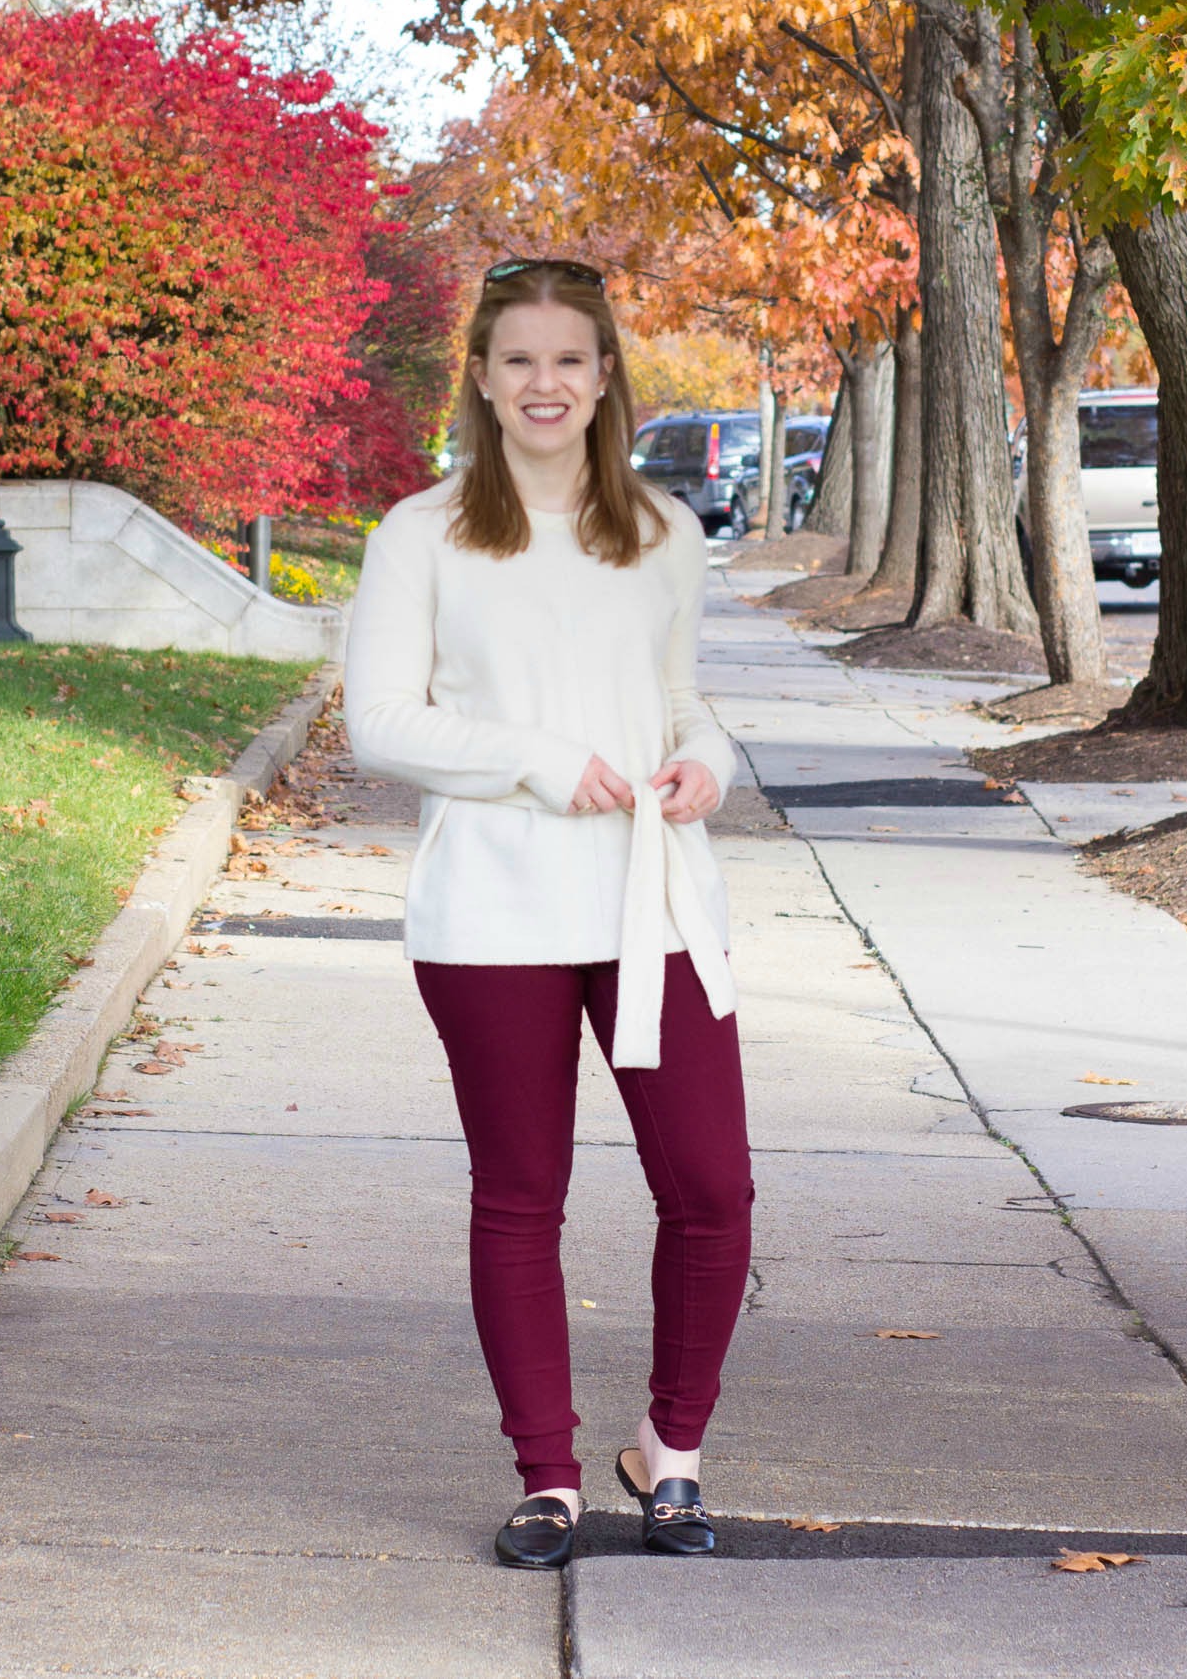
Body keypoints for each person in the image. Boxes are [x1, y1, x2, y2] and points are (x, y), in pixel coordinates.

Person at [344, 256, 754, 1571]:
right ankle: (550, 1474)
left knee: (712, 1187)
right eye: (518, 357)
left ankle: (671, 1452)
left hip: (652, 901)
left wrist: (708, 763)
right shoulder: (424, 534)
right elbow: (380, 720)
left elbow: (683, 700)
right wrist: (534, 757)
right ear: (479, 373)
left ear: (604, 374)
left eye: (569, 358)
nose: (545, 382)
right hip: (494, 911)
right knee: (521, 1194)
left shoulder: (665, 534)